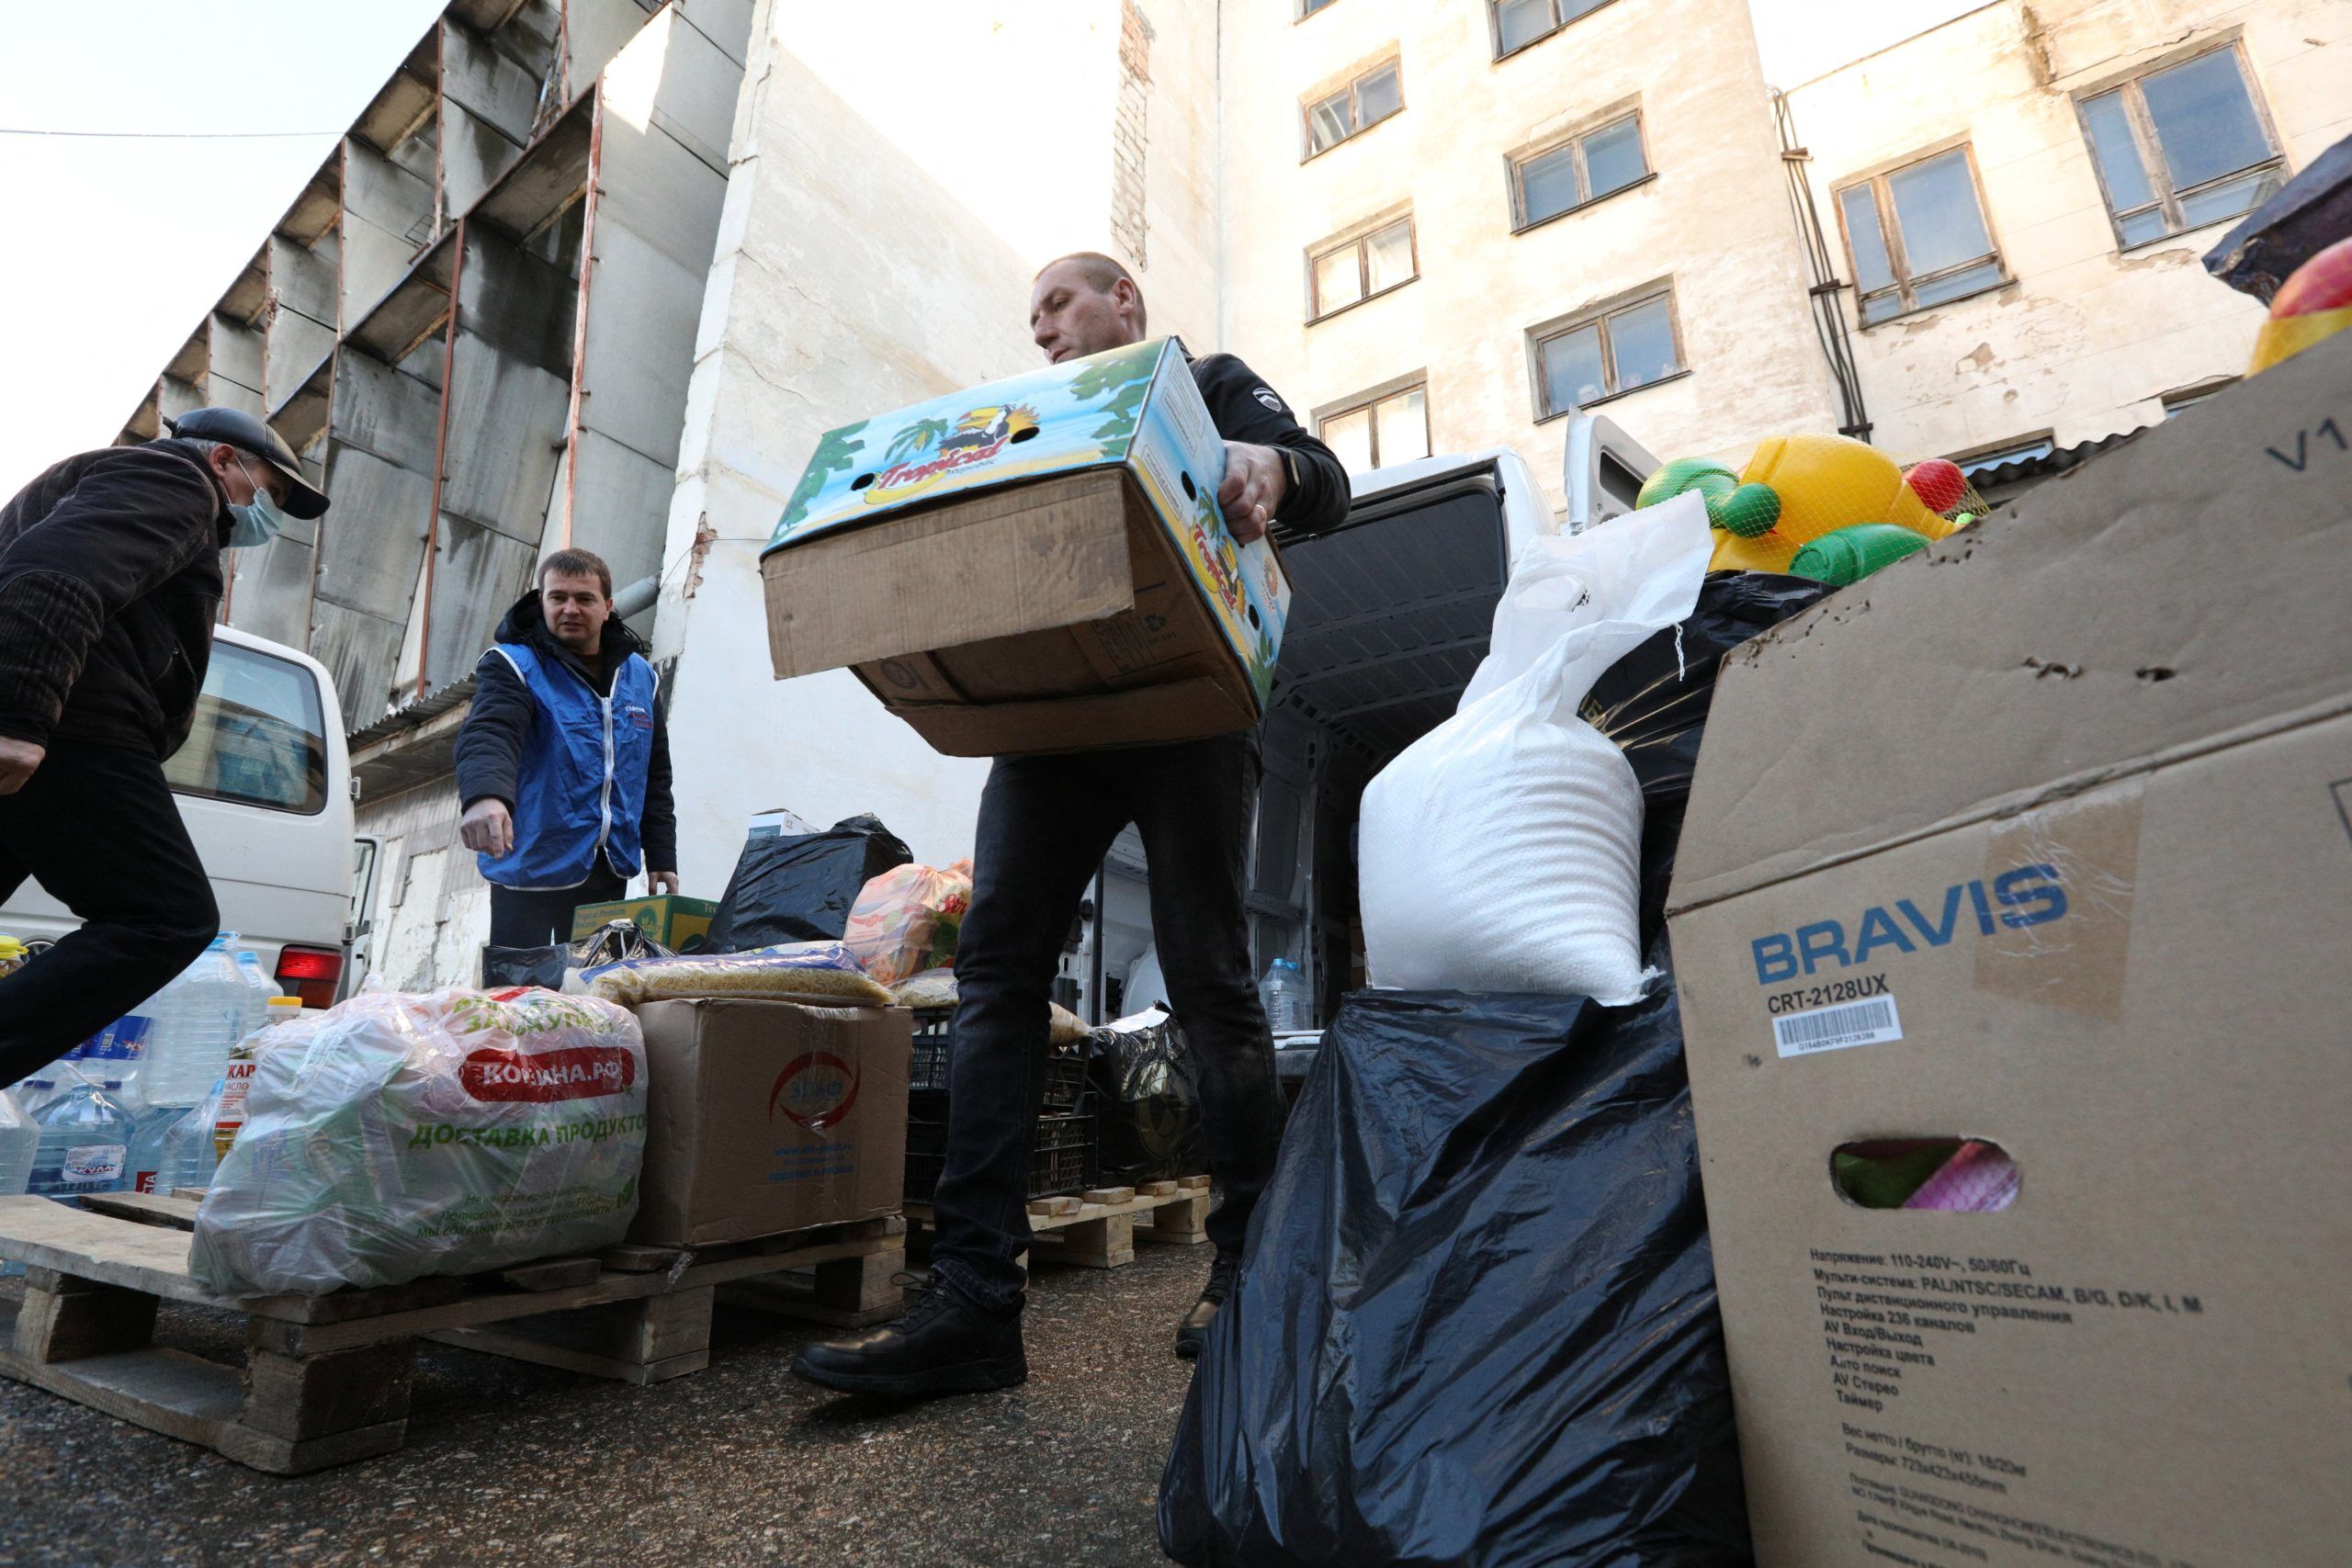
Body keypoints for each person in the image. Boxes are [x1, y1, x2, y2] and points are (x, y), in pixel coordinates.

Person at [793, 253, 1351, 1397]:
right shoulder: (1033, 424)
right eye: (1032, 315)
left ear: (1123, 304)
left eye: (1058, 305)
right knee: (995, 972)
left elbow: (1327, 481)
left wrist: (1272, 471)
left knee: (1207, 977)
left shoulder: (1209, 386)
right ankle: (974, 1302)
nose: (1041, 330)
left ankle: (1248, 1262)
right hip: (1050, 722)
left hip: (1186, 712)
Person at [0, 409, 329, 1089]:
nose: (262, 513)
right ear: (222, 462)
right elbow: (53, 570)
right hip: (79, 727)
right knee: (165, 918)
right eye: (265, 489)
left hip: (67, 720)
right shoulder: (174, 479)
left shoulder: (98, 481)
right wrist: (21, 715)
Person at [454, 548, 678, 952]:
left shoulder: (642, 677)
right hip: (529, 863)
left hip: (607, 869)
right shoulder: (513, 665)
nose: (570, 609)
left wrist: (661, 854)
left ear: (607, 607)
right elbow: (491, 731)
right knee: (520, 997)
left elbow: (653, 774)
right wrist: (485, 796)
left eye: (584, 599)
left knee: (593, 996)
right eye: (558, 597)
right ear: (542, 603)